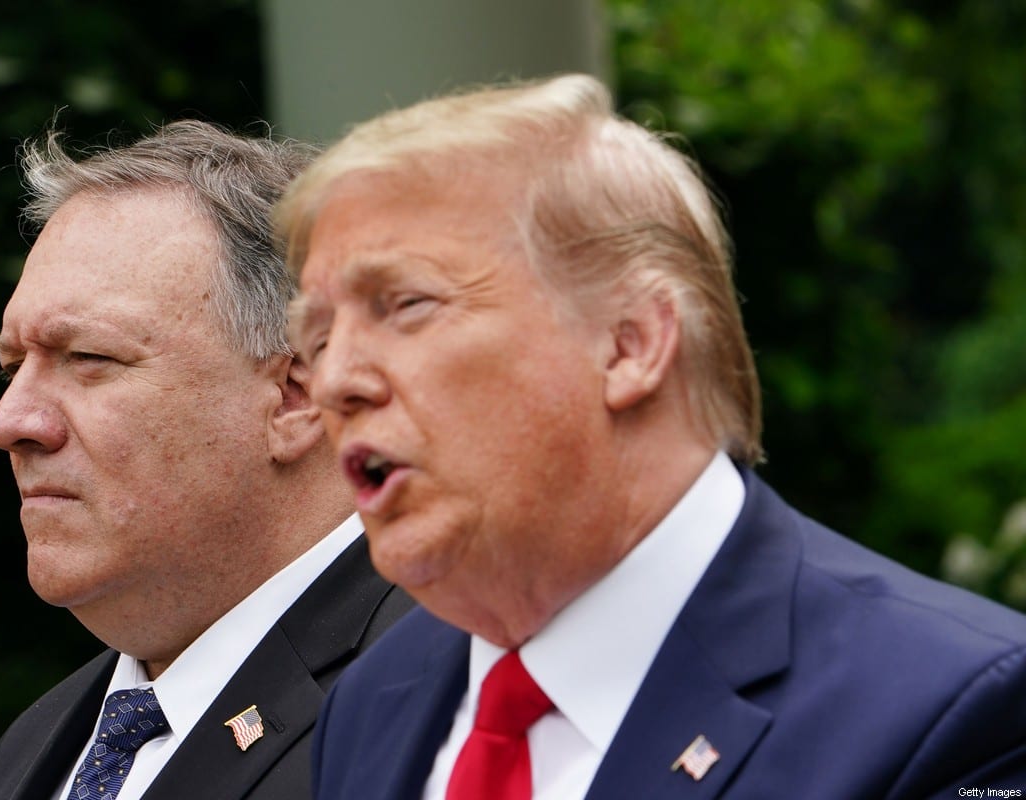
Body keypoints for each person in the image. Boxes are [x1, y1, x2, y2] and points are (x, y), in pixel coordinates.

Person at [273, 73, 1026, 799]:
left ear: (630, 345)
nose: (336, 380)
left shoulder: (957, 712)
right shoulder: (373, 702)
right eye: (319, 335)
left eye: (404, 304)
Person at [0, 119, 413, 800]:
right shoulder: (41, 740)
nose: (11, 423)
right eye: (12, 367)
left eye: (88, 358)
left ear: (297, 396)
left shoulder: (441, 691)